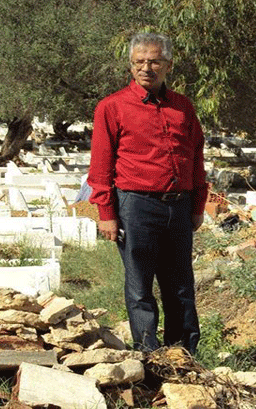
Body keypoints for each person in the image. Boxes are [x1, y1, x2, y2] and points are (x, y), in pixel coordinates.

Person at [87, 33, 208, 355]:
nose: (146, 68)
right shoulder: (111, 107)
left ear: (168, 65)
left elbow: (196, 156)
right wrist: (107, 215)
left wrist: (198, 205)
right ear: (131, 65)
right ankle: (148, 353)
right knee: (140, 286)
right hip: (136, 206)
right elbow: (100, 166)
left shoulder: (183, 106)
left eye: (154, 61)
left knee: (180, 285)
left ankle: (183, 354)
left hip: (179, 206)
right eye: (139, 62)